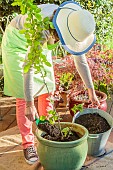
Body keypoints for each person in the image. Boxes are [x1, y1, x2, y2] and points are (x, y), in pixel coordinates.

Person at [1, 1, 100, 165]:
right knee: (23, 96)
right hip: (17, 44)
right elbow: (29, 66)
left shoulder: (75, 23)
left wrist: (91, 90)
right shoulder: (43, 28)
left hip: (38, 43)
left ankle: (47, 134)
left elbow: (80, 61)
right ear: (60, 32)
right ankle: (28, 143)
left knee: (48, 87)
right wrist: (29, 103)